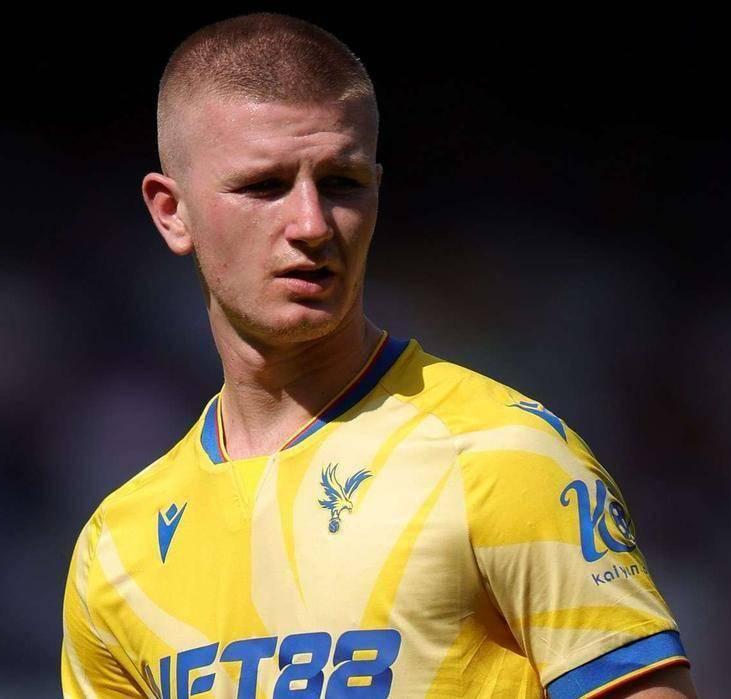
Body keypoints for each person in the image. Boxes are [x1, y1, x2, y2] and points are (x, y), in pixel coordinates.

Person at [62, 12, 697, 699]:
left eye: (341, 183)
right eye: (264, 187)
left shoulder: (502, 456)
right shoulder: (115, 551)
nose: (311, 224)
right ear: (171, 211)